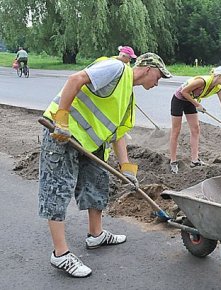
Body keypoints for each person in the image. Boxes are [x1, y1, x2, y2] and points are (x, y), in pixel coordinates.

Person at [39, 52, 172, 278]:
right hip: (63, 134)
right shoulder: (116, 68)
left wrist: (127, 169)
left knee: (98, 184)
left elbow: (117, 134)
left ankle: (96, 234)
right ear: (148, 69)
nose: (158, 83)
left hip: (91, 145)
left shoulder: (128, 97)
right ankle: (60, 254)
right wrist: (61, 118)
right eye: (158, 77)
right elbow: (75, 79)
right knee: (57, 190)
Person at [168, 65, 221, 174]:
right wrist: (197, 104)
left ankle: (195, 160)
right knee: (176, 130)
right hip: (179, 99)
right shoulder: (202, 81)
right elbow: (184, 92)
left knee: (196, 129)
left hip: (191, 101)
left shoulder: (218, 89)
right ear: (219, 76)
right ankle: (173, 161)